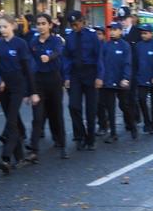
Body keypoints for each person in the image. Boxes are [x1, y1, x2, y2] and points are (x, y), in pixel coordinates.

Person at [0, 14, 37, 172]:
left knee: (11, 121)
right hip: (3, 87)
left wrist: (32, 91)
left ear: (12, 26)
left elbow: (27, 69)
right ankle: (20, 157)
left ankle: (6, 156)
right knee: (14, 121)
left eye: (5, 26)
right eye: (0, 27)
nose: (2, 30)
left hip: (18, 86)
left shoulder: (21, 44)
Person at [26, 13, 69, 159]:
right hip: (38, 81)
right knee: (38, 116)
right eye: (38, 24)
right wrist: (29, 90)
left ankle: (62, 145)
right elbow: (29, 63)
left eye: (43, 23)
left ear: (50, 25)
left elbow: (58, 52)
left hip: (54, 80)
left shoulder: (56, 40)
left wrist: (48, 57)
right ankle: (34, 149)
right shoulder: (33, 42)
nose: (40, 26)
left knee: (56, 114)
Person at [62, 10, 101, 151]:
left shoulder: (91, 36)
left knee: (91, 109)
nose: (74, 27)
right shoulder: (70, 37)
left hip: (90, 73)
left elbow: (99, 57)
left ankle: (91, 139)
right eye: (72, 25)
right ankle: (81, 134)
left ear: (82, 21)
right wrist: (66, 77)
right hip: (75, 74)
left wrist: (99, 76)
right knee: (73, 106)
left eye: (76, 24)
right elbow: (66, 58)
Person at [96, 22, 138, 142]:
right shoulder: (106, 46)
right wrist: (100, 78)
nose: (112, 32)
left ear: (120, 31)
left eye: (115, 29)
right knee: (110, 108)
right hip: (108, 81)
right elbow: (101, 63)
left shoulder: (125, 45)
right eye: (111, 30)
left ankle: (133, 126)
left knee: (124, 105)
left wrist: (126, 78)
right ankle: (113, 133)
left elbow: (127, 63)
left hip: (121, 81)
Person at [134, 23, 153, 134]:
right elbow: (135, 63)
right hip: (142, 78)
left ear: (152, 34)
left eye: (145, 33)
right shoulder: (138, 46)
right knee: (141, 99)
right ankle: (147, 122)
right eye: (142, 33)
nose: (143, 35)